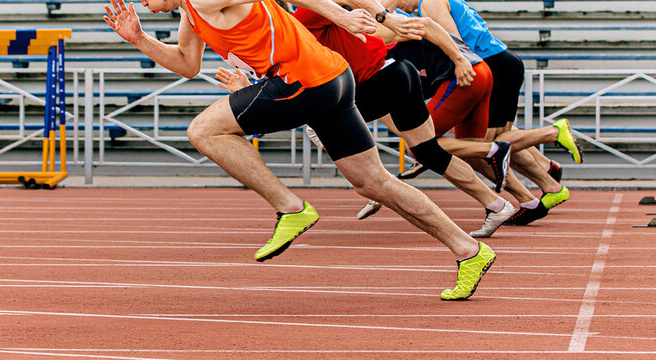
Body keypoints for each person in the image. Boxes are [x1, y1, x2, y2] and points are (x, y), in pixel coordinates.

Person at [104, 0, 495, 300]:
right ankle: (468, 249)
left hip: (304, 80)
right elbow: (187, 64)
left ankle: (290, 208)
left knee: (204, 130)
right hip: (332, 79)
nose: (141, 4)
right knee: (374, 182)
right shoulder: (192, 12)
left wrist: (350, 16)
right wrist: (139, 39)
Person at [217, 3, 516, 237]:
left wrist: (382, 16)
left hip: (379, 81)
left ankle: (379, 182)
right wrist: (248, 88)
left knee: (321, 129)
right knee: (427, 151)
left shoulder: (303, 17)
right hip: (398, 74)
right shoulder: (280, 38)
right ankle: (496, 204)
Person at [383, 0, 582, 222]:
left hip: (484, 66)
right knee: (477, 145)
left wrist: (458, 61)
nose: (405, 11)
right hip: (494, 63)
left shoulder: (429, 4)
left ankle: (552, 135)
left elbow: (453, 40)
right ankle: (547, 176)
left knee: (483, 146)